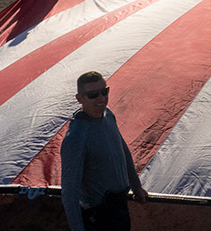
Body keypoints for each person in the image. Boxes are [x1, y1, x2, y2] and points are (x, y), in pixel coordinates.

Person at [61, 71, 147, 231]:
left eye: (104, 91)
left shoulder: (108, 115)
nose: (101, 98)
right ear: (79, 98)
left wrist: (136, 186)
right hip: (98, 216)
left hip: (119, 209)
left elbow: (123, 151)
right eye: (93, 94)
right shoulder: (76, 137)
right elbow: (70, 192)